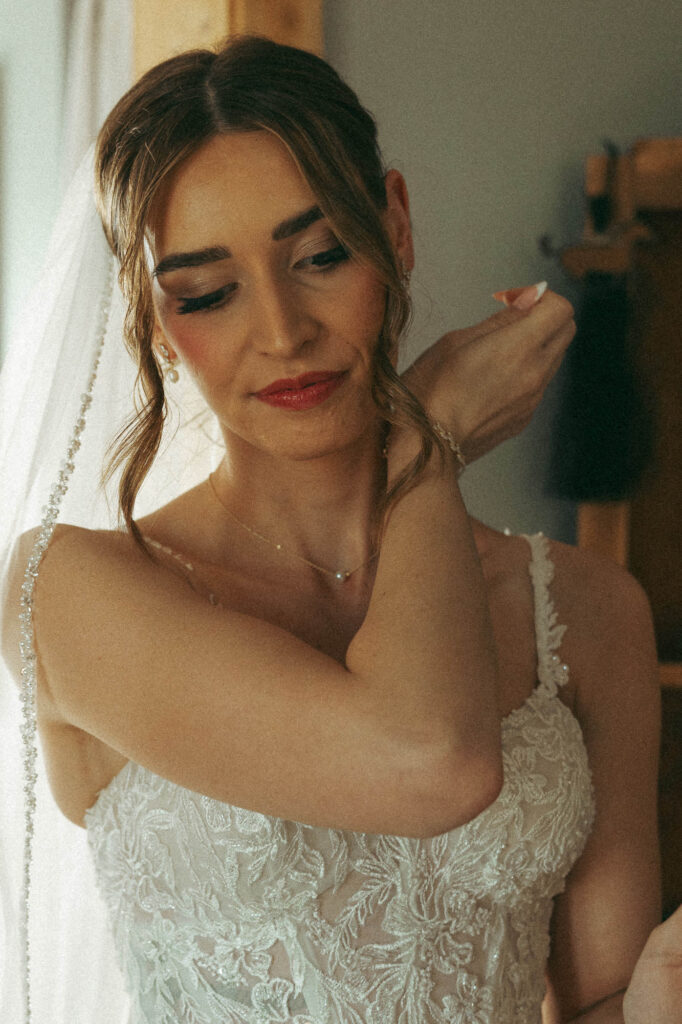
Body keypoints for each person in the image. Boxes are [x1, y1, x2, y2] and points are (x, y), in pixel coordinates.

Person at [0, 34, 661, 1024]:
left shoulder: (589, 608)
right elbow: (430, 757)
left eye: (319, 254)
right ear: (154, 313)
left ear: (393, 223)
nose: (282, 328)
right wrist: (426, 438)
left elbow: (604, 999)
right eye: (208, 292)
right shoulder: (67, 591)